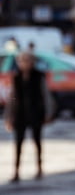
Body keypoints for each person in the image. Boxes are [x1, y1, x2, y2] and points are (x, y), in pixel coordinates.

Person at [4, 50, 54, 182]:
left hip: (35, 113)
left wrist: (48, 113)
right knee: (18, 143)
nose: (24, 63)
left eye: (27, 60)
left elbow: (46, 95)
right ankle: (16, 171)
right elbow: (12, 97)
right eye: (21, 61)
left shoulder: (39, 76)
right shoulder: (16, 77)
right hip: (20, 114)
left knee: (37, 141)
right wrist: (9, 116)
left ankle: (39, 168)